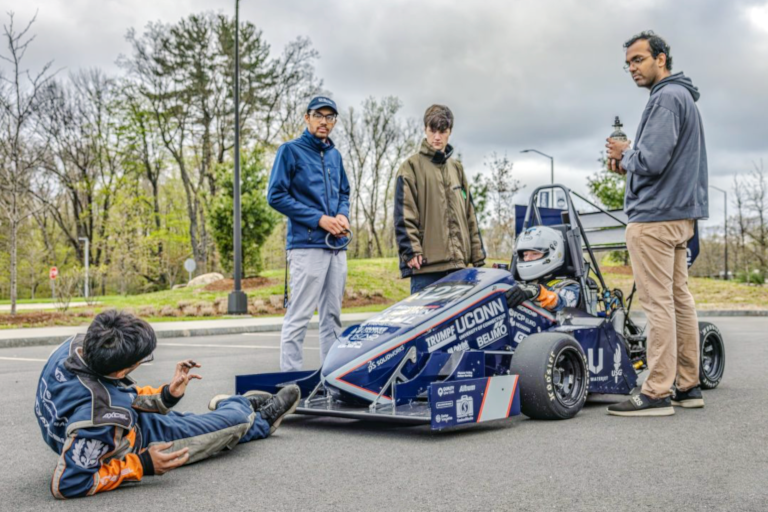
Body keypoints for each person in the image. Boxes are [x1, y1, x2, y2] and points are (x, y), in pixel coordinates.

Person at [35, 310, 300, 499]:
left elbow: (114, 395)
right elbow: (67, 484)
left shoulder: (73, 348)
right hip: (134, 445)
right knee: (231, 424)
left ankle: (243, 411)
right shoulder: (101, 416)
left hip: (111, 429)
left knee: (200, 426)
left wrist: (166, 395)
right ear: (118, 371)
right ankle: (249, 412)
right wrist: (141, 464)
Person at [604, 31, 708, 417]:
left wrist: (626, 153)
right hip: (679, 217)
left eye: (639, 60)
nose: (632, 68)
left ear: (661, 59)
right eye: (628, 63)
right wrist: (631, 161)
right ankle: (687, 385)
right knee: (680, 301)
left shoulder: (664, 98)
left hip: (654, 220)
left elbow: (652, 161)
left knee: (658, 304)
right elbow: (662, 162)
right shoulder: (683, 98)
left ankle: (656, 392)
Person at [267, 96, 351, 372]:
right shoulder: (290, 151)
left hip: (336, 247)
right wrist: (319, 220)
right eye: (319, 115)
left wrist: (342, 215)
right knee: (299, 316)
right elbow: (275, 196)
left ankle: (332, 379)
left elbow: (344, 193)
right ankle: (290, 383)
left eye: (330, 117)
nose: (324, 122)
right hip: (306, 246)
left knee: (332, 318)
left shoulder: (335, 155)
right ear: (307, 118)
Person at [394, 104, 485, 294]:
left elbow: (469, 214)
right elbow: (404, 213)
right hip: (426, 269)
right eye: (432, 130)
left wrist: (478, 256)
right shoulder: (410, 168)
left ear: (449, 132)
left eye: (442, 131)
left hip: (459, 267)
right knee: (425, 324)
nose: (437, 137)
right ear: (425, 129)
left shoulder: (457, 169)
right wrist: (410, 250)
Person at [504, 226, 580, 312]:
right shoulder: (520, 284)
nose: (527, 259)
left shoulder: (569, 286)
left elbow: (563, 303)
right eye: (525, 255)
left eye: (535, 253)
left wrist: (538, 292)